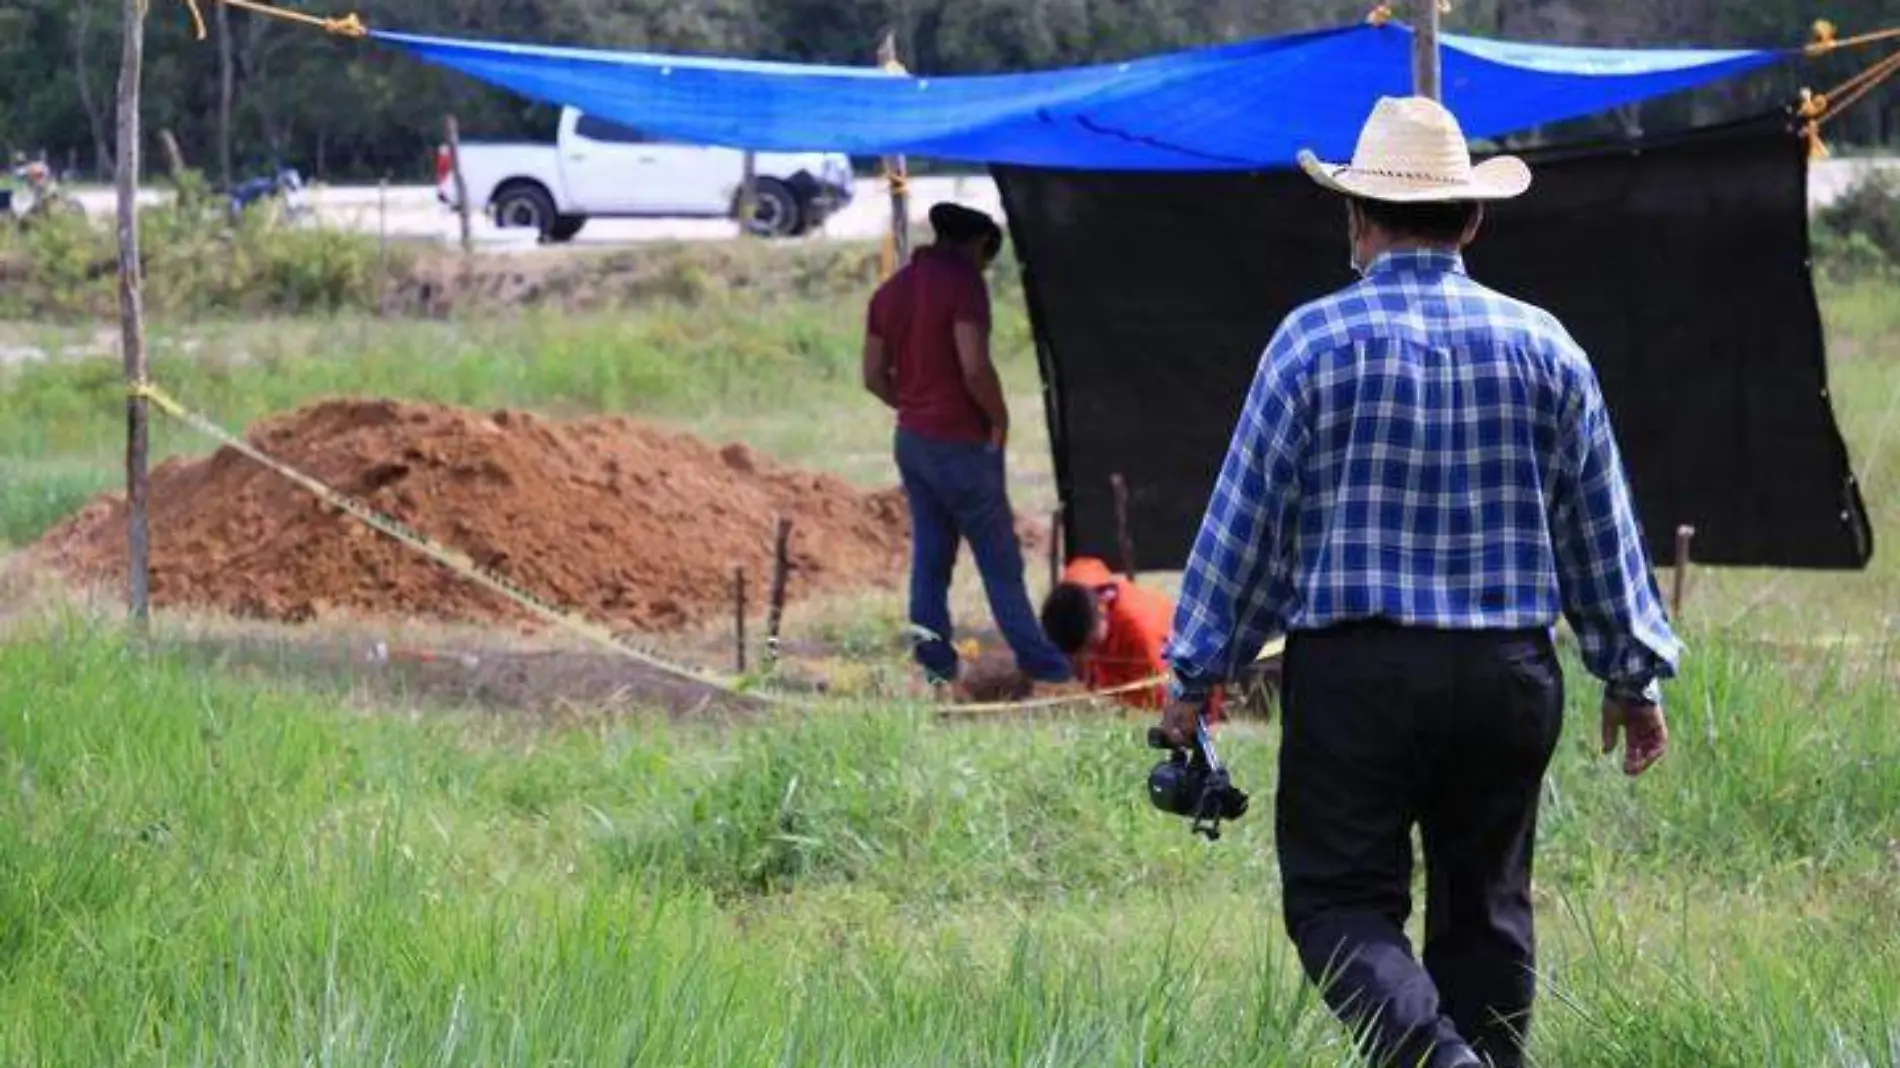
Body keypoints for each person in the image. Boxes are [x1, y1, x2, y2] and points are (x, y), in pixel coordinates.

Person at [1157, 97, 1682, 1068]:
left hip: (1357, 679)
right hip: (1507, 674)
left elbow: (1244, 529)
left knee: (1336, 900)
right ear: (1472, 219)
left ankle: (1438, 1062)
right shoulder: (1545, 347)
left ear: (1356, 219)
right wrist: (1630, 680)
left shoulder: (1310, 344)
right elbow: (1598, 535)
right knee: (1486, 912)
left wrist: (1196, 673)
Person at [863, 202, 1077, 697]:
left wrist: (912, 404)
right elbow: (974, 364)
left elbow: (872, 375)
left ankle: (938, 668)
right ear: (978, 244)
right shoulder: (963, 284)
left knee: (931, 559)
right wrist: (998, 418)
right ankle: (1047, 670)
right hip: (962, 443)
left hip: (912, 440)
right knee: (1000, 563)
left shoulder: (889, 293)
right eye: (986, 257)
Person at [1040, 556, 1228, 718]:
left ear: (1101, 610)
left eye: (1090, 646)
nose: (1085, 656)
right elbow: (1088, 564)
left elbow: (1170, 706)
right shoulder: (1078, 584)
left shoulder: (1142, 637)